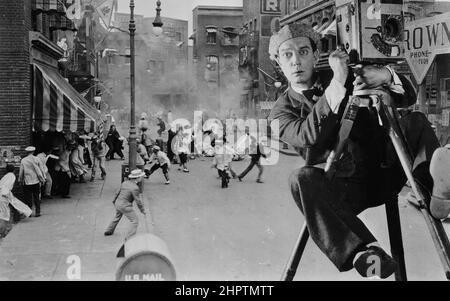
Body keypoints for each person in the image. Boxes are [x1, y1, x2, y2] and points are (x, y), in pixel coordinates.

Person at [268, 23, 440, 279]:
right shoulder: (279, 112)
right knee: (301, 178)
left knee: (415, 121)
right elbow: (309, 136)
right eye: (288, 55)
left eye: (303, 52)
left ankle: (436, 194)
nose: (296, 61)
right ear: (278, 62)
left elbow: (409, 97)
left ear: (316, 55)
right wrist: (337, 82)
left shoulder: (345, 73)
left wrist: (385, 75)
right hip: (346, 191)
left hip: (387, 169)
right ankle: (365, 253)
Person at [104, 169, 146, 241]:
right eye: (141, 177)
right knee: (135, 221)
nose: (142, 178)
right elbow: (138, 201)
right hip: (125, 206)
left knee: (117, 217)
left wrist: (114, 201)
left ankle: (109, 231)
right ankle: (129, 238)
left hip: (118, 203)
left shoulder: (125, 183)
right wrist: (143, 210)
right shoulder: (135, 188)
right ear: (137, 178)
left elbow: (117, 192)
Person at [1, 164, 32, 238]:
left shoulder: (5, 176)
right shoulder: (11, 176)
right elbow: (6, 186)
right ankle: (3, 232)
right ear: (14, 170)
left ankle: (22, 214)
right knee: (5, 214)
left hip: (4, 194)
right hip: (4, 194)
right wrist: (5, 194)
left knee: (12, 207)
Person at [18, 146, 46, 217]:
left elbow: (21, 172)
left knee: (28, 197)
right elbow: (41, 169)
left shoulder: (23, 160)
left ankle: (29, 212)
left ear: (27, 152)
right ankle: (37, 212)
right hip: (36, 180)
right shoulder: (36, 159)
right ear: (33, 151)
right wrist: (43, 178)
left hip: (27, 181)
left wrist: (20, 179)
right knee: (36, 196)